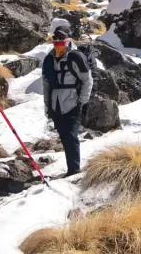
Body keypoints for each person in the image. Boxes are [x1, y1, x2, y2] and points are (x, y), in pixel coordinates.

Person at [41, 25, 94, 177]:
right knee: (64, 136)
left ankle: (74, 170)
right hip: (56, 104)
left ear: (68, 39)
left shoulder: (75, 56)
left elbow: (87, 80)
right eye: (55, 39)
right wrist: (48, 106)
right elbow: (46, 84)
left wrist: (81, 102)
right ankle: (71, 168)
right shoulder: (49, 58)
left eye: (61, 38)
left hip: (72, 103)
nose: (58, 41)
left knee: (71, 136)